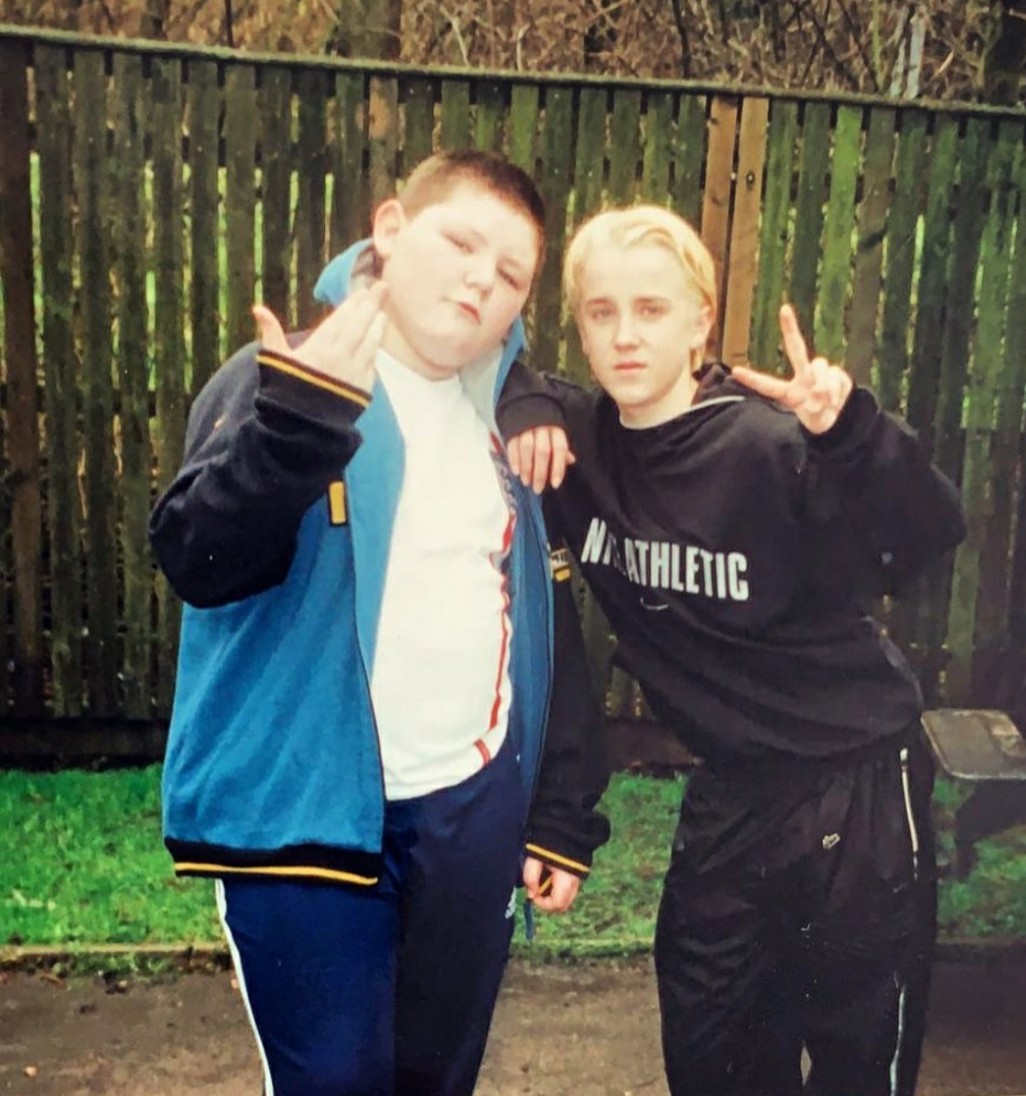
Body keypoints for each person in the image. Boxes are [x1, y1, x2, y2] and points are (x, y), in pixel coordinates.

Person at [149, 150, 610, 1096]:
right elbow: (197, 560)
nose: (480, 280)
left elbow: (540, 619)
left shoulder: (513, 422)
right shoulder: (285, 375)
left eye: (510, 274)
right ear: (391, 230)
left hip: (469, 815)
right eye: (460, 243)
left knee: (437, 1078)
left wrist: (559, 810)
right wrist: (295, 426)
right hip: (309, 826)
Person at [498, 204, 966, 1096]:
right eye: (602, 312)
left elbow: (926, 537)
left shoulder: (770, 442)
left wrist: (853, 435)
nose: (626, 335)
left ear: (699, 323)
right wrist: (519, 395)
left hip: (856, 777)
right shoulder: (575, 445)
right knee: (711, 1049)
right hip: (731, 787)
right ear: (579, 329)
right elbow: (476, 348)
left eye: (652, 310)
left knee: (857, 1056)